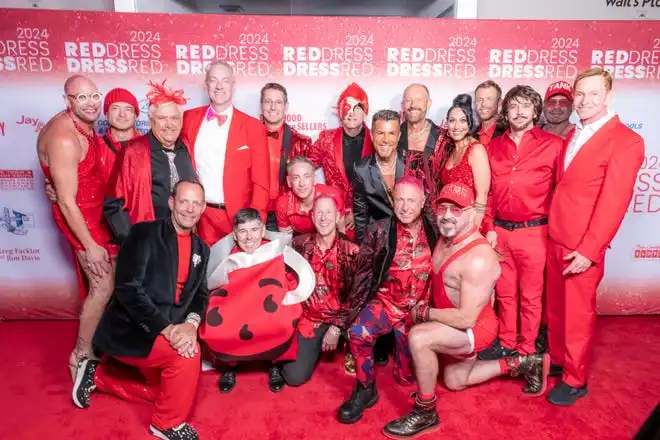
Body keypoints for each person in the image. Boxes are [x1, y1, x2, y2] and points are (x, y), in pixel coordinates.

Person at [381, 182, 549, 439]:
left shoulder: (478, 257)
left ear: (472, 213)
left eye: (457, 209)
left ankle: (425, 412)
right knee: (454, 381)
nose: (447, 215)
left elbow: (467, 317)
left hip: (473, 328)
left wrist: (424, 314)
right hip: (454, 321)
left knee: (419, 338)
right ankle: (523, 363)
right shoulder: (447, 236)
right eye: (443, 208)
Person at [72, 180, 208, 440]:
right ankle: (166, 424)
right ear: (171, 203)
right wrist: (167, 330)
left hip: (173, 328)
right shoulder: (144, 233)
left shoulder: (202, 249)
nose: (190, 209)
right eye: (184, 201)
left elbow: (200, 295)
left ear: (203, 208)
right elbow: (127, 288)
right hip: (134, 328)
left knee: (169, 393)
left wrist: (190, 325)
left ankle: (96, 375)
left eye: (196, 203)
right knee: (188, 357)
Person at [545, 68, 644, 405]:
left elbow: (614, 202)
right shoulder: (575, 133)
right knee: (557, 310)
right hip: (555, 238)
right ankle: (559, 361)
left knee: (577, 315)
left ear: (609, 96)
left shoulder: (626, 141)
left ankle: (576, 378)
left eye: (593, 94)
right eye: (581, 94)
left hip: (582, 246)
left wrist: (590, 249)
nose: (584, 101)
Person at [337, 177, 438, 424]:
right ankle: (365, 388)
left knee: (406, 377)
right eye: (400, 199)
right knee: (359, 331)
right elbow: (362, 278)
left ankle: (404, 366)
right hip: (386, 303)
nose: (405, 207)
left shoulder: (436, 228)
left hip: (419, 311)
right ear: (393, 201)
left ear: (423, 202)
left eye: (411, 200)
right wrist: (346, 320)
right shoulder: (379, 230)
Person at [36, 74, 117, 381]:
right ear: (67, 100)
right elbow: (68, 202)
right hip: (80, 218)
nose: (90, 103)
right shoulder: (64, 137)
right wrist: (90, 245)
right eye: (81, 98)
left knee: (110, 280)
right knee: (102, 285)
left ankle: (99, 343)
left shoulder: (83, 124)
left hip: (95, 212)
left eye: (94, 95)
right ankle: (81, 356)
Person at [478, 85, 562, 361]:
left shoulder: (553, 146)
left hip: (534, 232)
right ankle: (506, 342)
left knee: (530, 297)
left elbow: (562, 193)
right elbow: (487, 193)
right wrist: (489, 228)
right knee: (505, 294)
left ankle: (526, 351)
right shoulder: (494, 146)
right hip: (501, 231)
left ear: (536, 111)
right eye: (513, 106)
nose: (519, 112)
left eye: (525, 106)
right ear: (506, 111)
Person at [200, 208, 314, 394]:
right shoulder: (227, 257)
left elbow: (292, 279)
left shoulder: (275, 250)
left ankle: (274, 364)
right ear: (235, 235)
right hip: (237, 308)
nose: (249, 237)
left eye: (254, 230)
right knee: (216, 324)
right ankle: (229, 365)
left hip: (268, 306)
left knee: (282, 320)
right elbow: (216, 288)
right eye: (243, 231)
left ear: (262, 231)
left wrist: (288, 296)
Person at [181, 61, 270, 245]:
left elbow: (261, 182)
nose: (219, 86)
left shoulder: (253, 127)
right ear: (206, 86)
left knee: (238, 272)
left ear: (233, 86)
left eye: (225, 80)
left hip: (238, 217)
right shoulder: (188, 119)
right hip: (199, 216)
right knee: (202, 271)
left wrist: (254, 224)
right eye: (213, 80)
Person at [103, 80, 196, 245]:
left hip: (185, 241)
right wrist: (134, 241)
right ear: (151, 120)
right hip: (150, 242)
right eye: (162, 118)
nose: (169, 125)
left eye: (175, 118)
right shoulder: (132, 152)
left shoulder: (186, 147)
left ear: (181, 121)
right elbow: (113, 205)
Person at [282, 194, 360, 386]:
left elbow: (358, 296)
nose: (323, 218)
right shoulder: (298, 246)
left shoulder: (352, 251)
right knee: (294, 376)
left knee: (363, 335)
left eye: (328, 213)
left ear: (337, 217)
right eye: (319, 213)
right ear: (312, 216)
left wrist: (336, 327)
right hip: (312, 319)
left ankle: (351, 348)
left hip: (344, 318)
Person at [308, 82, 374, 238]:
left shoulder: (376, 139)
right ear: (339, 111)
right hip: (334, 219)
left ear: (365, 111)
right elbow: (304, 169)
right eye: (347, 107)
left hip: (369, 218)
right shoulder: (326, 139)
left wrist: (357, 211)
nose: (351, 112)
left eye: (357, 107)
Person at [260, 82, 313, 231]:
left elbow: (307, 183)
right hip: (255, 213)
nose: (273, 107)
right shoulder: (247, 137)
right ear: (261, 105)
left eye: (278, 102)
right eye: (268, 102)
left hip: (287, 215)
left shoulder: (302, 142)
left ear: (286, 106)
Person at [438, 94, 490, 228]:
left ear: (469, 123)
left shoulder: (476, 150)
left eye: (462, 120)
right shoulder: (449, 151)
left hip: (470, 224)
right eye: (452, 120)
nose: (456, 126)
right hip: (450, 223)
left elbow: (482, 196)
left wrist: (473, 229)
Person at [353, 109, 406, 243]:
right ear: (372, 135)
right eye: (380, 133)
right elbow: (361, 215)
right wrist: (363, 249)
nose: (386, 140)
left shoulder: (411, 163)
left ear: (399, 136)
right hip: (378, 241)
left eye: (391, 133)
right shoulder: (361, 169)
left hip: (409, 241)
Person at [275, 156, 346, 235]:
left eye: (307, 177)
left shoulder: (333, 196)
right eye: (296, 178)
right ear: (289, 181)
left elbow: (341, 229)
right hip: (301, 239)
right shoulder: (282, 204)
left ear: (314, 179)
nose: (302, 184)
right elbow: (286, 238)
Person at [397, 84, 444, 195]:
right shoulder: (393, 135)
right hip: (399, 207)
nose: (413, 105)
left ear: (428, 104)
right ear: (403, 105)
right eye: (409, 100)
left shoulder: (443, 138)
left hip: (433, 208)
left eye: (419, 99)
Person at [473, 80, 506, 148]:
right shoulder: (469, 136)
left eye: (489, 99)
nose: (483, 104)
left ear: (499, 102)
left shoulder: (509, 134)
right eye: (479, 99)